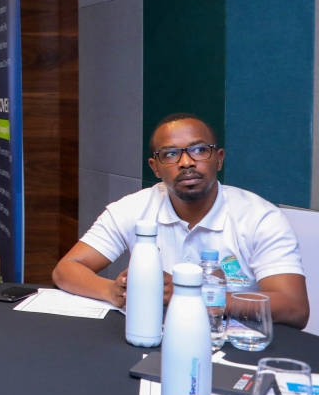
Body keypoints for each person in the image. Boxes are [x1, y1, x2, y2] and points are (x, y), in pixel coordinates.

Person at [53, 113, 310, 328]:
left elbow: (294, 308)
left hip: (232, 344)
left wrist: (196, 294)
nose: (186, 162)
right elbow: (65, 270)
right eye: (170, 154)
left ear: (219, 158)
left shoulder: (260, 217)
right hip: (154, 338)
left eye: (199, 150)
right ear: (155, 168)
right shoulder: (132, 207)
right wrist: (112, 291)